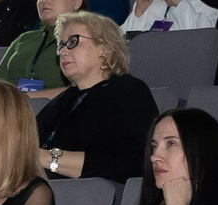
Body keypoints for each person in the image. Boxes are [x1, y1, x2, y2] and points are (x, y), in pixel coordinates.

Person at [36, 12, 156, 186]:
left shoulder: (128, 90)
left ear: (105, 48)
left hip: (92, 198)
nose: (62, 51)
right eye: (61, 45)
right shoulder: (63, 100)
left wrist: (47, 159)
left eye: (72, 42)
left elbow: (128, 160)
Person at [0, 0, 83, 94]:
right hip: (10, 107)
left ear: (77, 1)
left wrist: (30, 98)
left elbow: (83, 89)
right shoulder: (25, 38)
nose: (43, 0)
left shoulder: (86, 39)